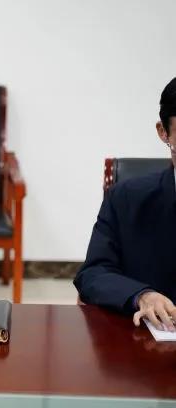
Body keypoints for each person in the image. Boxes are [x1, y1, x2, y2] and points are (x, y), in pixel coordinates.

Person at [74, 77, 176, 332]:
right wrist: (142, 295)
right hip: (148, 345)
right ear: (163, 132)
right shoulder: (126, 199)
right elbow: (93, 274)